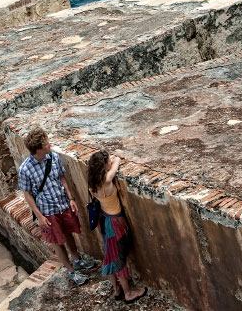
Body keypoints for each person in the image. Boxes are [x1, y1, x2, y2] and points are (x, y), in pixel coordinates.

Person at [18, 128, 97, 286]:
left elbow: (61, 176)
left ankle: (76, 260)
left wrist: (71, 198)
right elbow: (27, 194)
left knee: (68, 233)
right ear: (38, 149)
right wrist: (39, 216)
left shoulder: (52, 156)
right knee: (57, 241)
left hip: (62, 203)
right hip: (47, 211)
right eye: (46, 144)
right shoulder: (25, 169)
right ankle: (70, 271)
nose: (49, 145)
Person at [87, 151, 147, 304]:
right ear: (103, 167)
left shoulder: (92, 183)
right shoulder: (107, 180)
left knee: (109, 254)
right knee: (119, 258)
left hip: (103, 220)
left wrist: (106, 160)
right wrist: (113, 159)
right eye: (106, 162)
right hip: (115, 223)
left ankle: (116, 289)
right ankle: (128, 293)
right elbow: (118, 161)